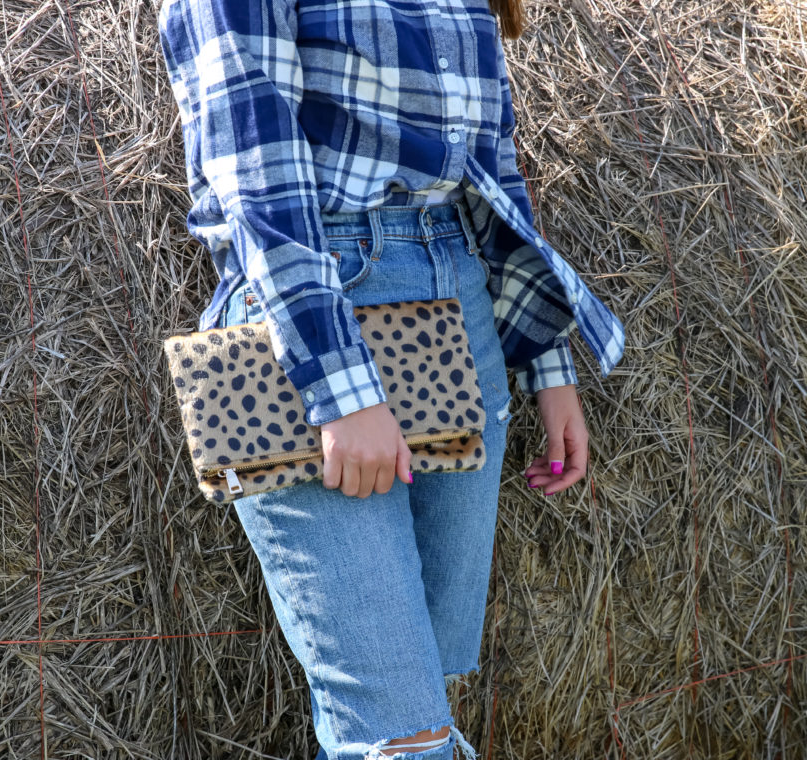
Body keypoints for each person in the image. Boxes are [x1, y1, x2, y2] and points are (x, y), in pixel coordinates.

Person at [158, 0, 625, 756]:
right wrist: (343, 389)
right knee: (402, 734)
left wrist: (546, 360)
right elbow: (256, 169)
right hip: (312, 313)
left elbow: (494, 170)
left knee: (420, 693)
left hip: (461, 305)